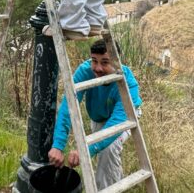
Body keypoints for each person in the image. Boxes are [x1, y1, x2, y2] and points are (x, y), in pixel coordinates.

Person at [48, 40, 141, 189]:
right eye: (94, 61)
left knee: (108, 150)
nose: (97, 68)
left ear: (117, 63)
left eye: (105, 62)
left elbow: (116, 123)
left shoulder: (128, 84)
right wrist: (58, 145)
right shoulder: (85, 71)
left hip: (125, 116)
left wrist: (85, 151)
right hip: (98, 116)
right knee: (101, 153)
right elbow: (68, 107)